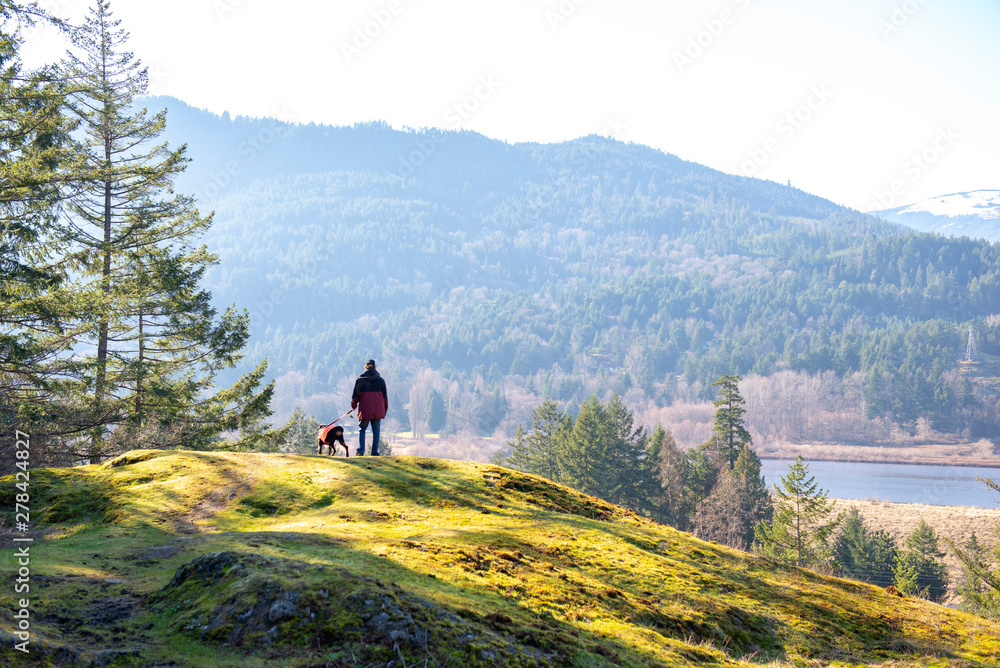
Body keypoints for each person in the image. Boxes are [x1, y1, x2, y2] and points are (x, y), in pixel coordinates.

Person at [351, 359, 388, 456]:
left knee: (362, 429)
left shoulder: (360, 380)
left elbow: (355, 397)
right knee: (376, 430)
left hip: (365, 409)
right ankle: (374, 452)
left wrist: (354, 406)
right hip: (378, 410)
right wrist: (384, 411)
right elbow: (385, 398)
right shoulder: (381, 381)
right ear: (375, 367)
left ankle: (361, 450)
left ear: (366, 367)